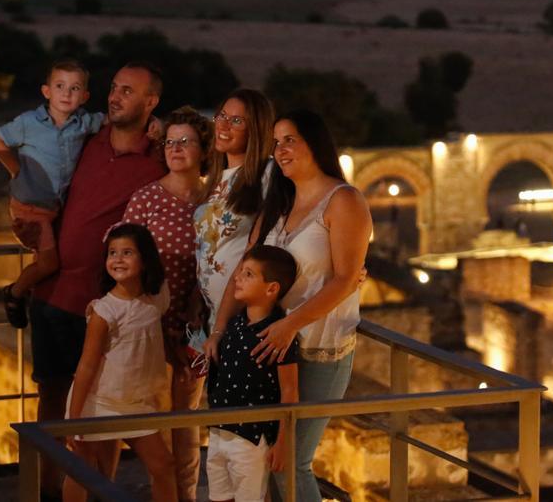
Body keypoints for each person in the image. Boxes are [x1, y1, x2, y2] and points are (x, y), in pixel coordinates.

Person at [210, 109, 372, 502]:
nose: (280, 150)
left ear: (314, 142)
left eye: (290, 140)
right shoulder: (278, 206)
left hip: (318, 349)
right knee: (263, 460)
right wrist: (219, 331)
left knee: (292, 463)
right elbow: (242, 272)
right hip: (264, 352)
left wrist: (289, 325)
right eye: (276, 142)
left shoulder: (343, 201)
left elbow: (346, 279)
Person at [30, 62, 165, 498]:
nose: (115, 96)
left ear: (151, 103)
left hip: (106, 307)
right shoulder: (85, 138)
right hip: (53, 295)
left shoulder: (158, 159)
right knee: (51, 401)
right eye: (113, 87)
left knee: (103, 415)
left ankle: (98, 494)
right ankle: (47, 491)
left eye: (128, 91)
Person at [121, 106, 213, 501]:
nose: (176, 149)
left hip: (197, 327)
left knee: (187, 419)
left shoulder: (215, 200)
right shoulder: (146, 200)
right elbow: (122, 258)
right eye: (171, 141)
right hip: (150, 326)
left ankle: (186, 495)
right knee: (155, 421)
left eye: (186, 142)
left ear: (203, 149)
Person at [63, 223, 175, 502]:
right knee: (82, 469)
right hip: (99, 401)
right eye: (112, 253)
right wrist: (74, 420)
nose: (118, 259)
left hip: (136, 402)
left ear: (145, 258)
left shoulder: (158, 296)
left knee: (163, 465)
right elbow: (87, 365)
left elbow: (157, 337)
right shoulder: (104, 311)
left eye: (127, 252)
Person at [0, 60, 102, 329]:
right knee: (50, 263)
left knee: (46, 259)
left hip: (54, 206)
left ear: (85, 96)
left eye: (74, 88)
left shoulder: (84, 123)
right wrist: (16, 170)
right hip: (30, 205)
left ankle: (38, 300)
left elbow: (112, 121)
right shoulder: (30, 122)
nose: (67, 93)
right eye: (60, 86)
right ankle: (15, 293)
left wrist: (154, 123)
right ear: (46, 91)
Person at [206, 245, 301, 502]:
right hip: (218, 428)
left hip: (251, 437)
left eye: (248, 274)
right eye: (240, 272)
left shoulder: (278, 335)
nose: (237, 278)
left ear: (272, 288)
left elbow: (289, 390)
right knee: (218, 496)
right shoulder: (235, 323)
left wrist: (282, 442)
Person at [194, 89, 275, 330]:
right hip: (210, 316)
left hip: (242, 317)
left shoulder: (267, 174)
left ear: (256, 129)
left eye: (237, 121)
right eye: (221, 116)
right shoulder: (214, 178)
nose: (224, 125)